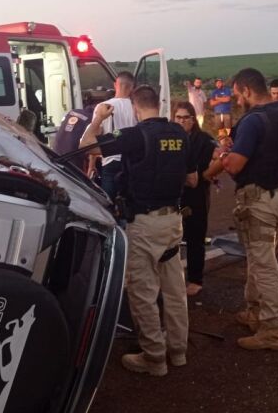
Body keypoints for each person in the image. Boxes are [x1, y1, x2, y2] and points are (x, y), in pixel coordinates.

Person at [80, 85, 197, 375]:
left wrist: (97, 118)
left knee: (143, 291)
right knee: (174, 290)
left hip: (144, 222)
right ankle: (178, 351)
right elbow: (192, 179)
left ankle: (154, 357)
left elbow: (86, 145)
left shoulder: (135, 135)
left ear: (135, 107)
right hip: (172, 220)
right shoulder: (180, 134)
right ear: (159, 105)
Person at [219, 68, 278, 351]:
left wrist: (223, 154)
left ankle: (272, 330)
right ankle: (254, 313)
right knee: (258, 256)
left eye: (237, 93)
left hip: (260, 201)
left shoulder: (253, 121)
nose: (236, 99)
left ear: (246, 90)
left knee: (264, 264)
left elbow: (235, 166)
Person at [173, 101, 223, 297]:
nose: (182, 121)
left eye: (186, 117)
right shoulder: (170, 138)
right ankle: (173, 279)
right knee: (172, 240)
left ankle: (195, 279)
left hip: (197, 195)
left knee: (195, 237)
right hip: (174, 195)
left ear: (193, 120)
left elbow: (221, 156)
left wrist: (207, 174)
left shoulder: (203, 139)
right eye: (178, 117)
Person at [99, 71, 137, 200]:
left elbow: (98, 133)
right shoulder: (136, 108)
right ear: (132, 87)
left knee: (108, 204)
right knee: (130, 203)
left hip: (110, 160)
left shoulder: (103, 106)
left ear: (115, 84)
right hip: (131, 161)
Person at [52, 99, 96, 173]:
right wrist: (91, 167)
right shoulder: (92, 119)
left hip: (56, 150)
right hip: (72, 155)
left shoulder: (72, 111)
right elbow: (92, 144)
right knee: (76, 178)